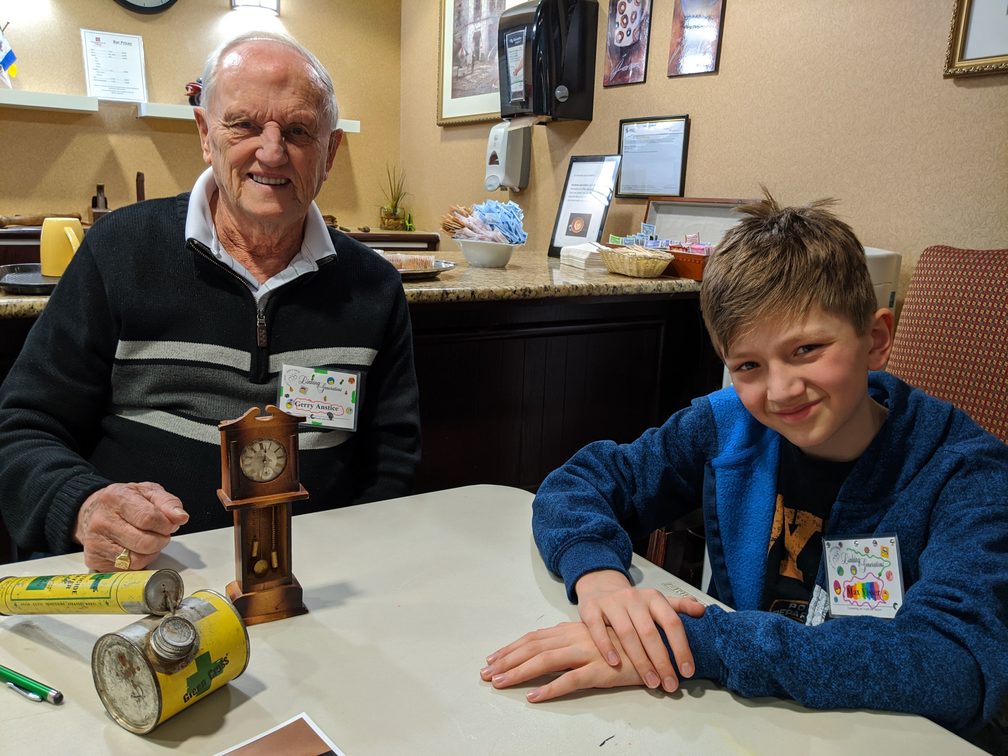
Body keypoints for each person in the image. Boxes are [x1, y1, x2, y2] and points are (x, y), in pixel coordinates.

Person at [480, 190, 1008, 741]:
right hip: (747, 724)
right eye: (749, 365)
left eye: (806, 350)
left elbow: (955, 664)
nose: (781, 390)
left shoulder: (967, 474)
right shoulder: (728, 424)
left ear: (876, 340)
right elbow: (580, 481)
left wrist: (695, 643)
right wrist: (598, 577)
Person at [0, 31, 421, 573]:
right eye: (244, 125)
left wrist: (353, 568)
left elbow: (393, 464)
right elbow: (20, 427)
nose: (271, 152)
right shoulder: (119, 251)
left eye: (298, 131)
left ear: (330, 152)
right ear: (205, 133)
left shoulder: (374, 287)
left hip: (314, 580)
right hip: (142, 577)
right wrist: (83, 507)